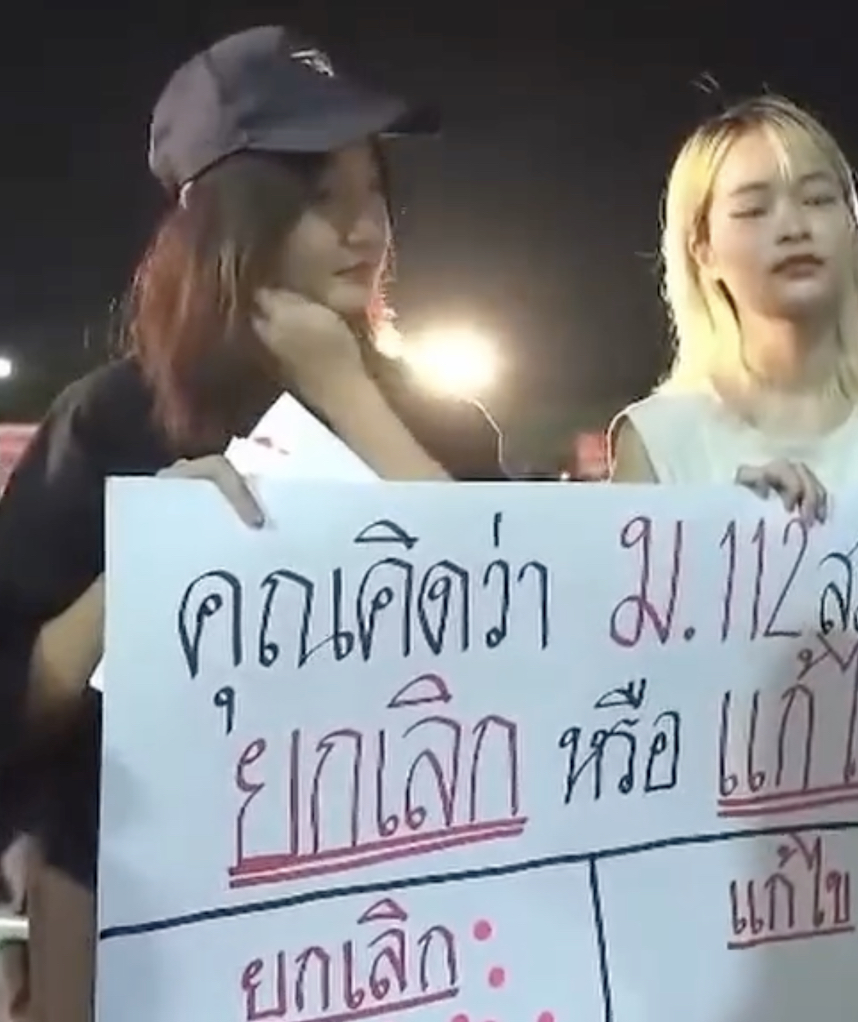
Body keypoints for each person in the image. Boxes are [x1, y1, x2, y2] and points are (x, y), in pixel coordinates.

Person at [0, 26, 503, 1021]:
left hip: (389, 924)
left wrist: (347, 393)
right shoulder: (110, 420)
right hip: (135, 926)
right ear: (227, 219)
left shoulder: (445, 428)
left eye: (376, 194)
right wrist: (136, 578)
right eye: (323, 199)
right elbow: (17, 703)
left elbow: (518, 619)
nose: (366, 231)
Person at [609, 94, 858, 500]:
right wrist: (720, 528)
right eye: (754, 210)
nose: (794, 228)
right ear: (702, 250)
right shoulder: (657, 443)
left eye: (817, 200)